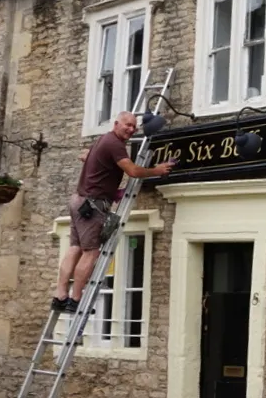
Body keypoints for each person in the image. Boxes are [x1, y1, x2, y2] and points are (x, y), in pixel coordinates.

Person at [51, 111, 174, 312]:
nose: (131, 129)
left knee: (75, 248)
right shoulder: (115, 144)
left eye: (134, 126)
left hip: (79, 200)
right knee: (91, 252)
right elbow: (133, 171)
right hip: (92, 205)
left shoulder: (103, 140)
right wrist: (156, 170)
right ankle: (76, 299)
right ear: (116, 124)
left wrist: (107, 185)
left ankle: (60, 294)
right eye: (127, 125)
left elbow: (86, 156)